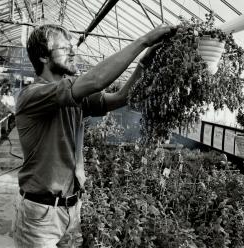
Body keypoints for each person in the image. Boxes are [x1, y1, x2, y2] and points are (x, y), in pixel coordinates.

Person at [13, 23, 175, 248]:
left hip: (71, 210)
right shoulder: (33, 95)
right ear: (43, 56)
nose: (73, 51)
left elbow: (121, 97)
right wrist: (143, 40)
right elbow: (97, 80)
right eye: (64, 48)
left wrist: (146, 61)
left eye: (72, 47)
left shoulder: (75, 98)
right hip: (40, 216)